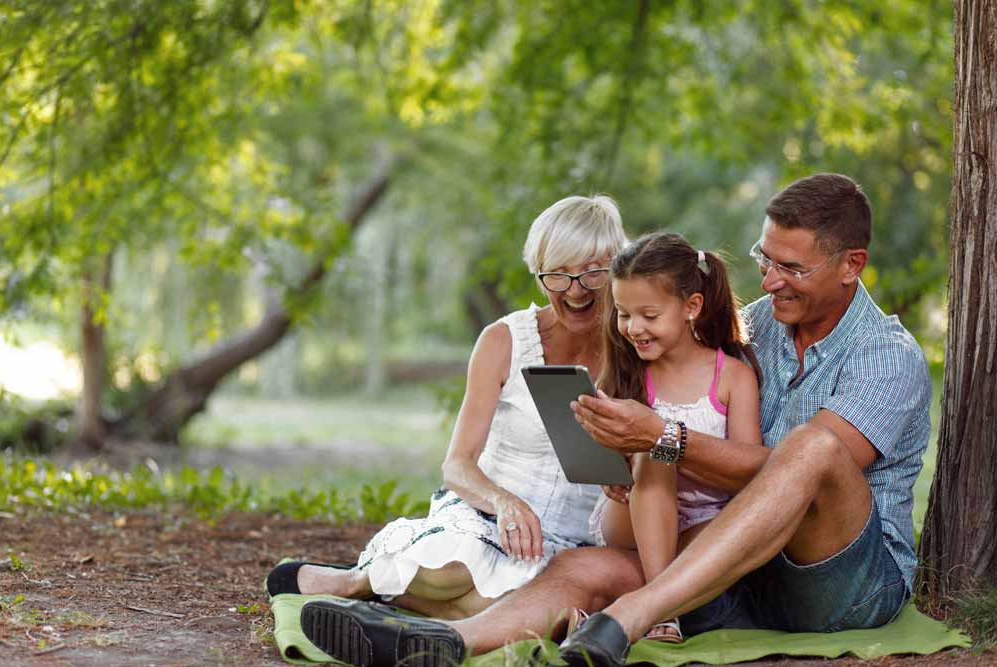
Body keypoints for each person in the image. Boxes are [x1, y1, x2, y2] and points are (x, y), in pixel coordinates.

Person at [293, 173, 931, 667]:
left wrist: (663, 439)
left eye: (792, 268)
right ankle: (446, 643)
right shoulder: (757, 324)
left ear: (852, 264)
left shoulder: (886, 355)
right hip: (739, 568)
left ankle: (627, 620)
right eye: (765, 259)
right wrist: (626, 452)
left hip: (842, 585)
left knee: (813, 448)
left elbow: (794, 475)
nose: (771, 279)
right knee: (586, 567)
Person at [265, 195, 628, 623]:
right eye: (558, 275)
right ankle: (360, 582)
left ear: (618, 268)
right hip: (487, 519)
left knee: (513, 602)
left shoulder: (635, 345)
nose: (575, 290)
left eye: (591, 273)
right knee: (449, 571)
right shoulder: (504, 340)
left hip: (571, 540)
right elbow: (456, 465)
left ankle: (381, 592)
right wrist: (504, 502)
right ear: (538, 272)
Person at [589, 232, 762, 643]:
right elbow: (603, 454)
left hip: (707, 519)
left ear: (691, 307)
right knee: (657, 450)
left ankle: (646, 602)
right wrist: (610, 465)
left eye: (649, 314)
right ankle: (659, 611)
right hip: (632, 515)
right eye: (624, 313)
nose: (633, 328)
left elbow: (750, 466)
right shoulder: (626, 372)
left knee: (663, 439)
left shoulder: (732, 376)